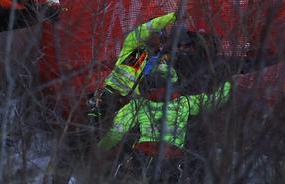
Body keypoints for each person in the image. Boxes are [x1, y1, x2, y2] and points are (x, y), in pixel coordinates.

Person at [97, 64, 231, 182]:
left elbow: (116, 133)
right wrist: (230, 84)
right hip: (172, 160)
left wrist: (98, 150)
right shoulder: (185, 103)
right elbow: (214, 102)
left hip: (142, 158)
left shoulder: (138, 105)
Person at [90, 12, 177, 123]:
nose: (150, 35)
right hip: (111, 94)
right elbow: (144, 30)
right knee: (95, 123)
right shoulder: (131, 45)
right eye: (150, 32)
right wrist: (172, 16)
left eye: (156, 34)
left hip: (130, 104)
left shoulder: (160, 59)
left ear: (162, 38)